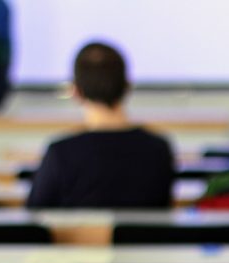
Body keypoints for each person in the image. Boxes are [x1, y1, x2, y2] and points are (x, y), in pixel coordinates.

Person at [26, 42, 174, 209]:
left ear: (76, 91)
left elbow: (33, 214)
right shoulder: (159, 150)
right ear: (127, 86)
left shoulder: (60, 153)